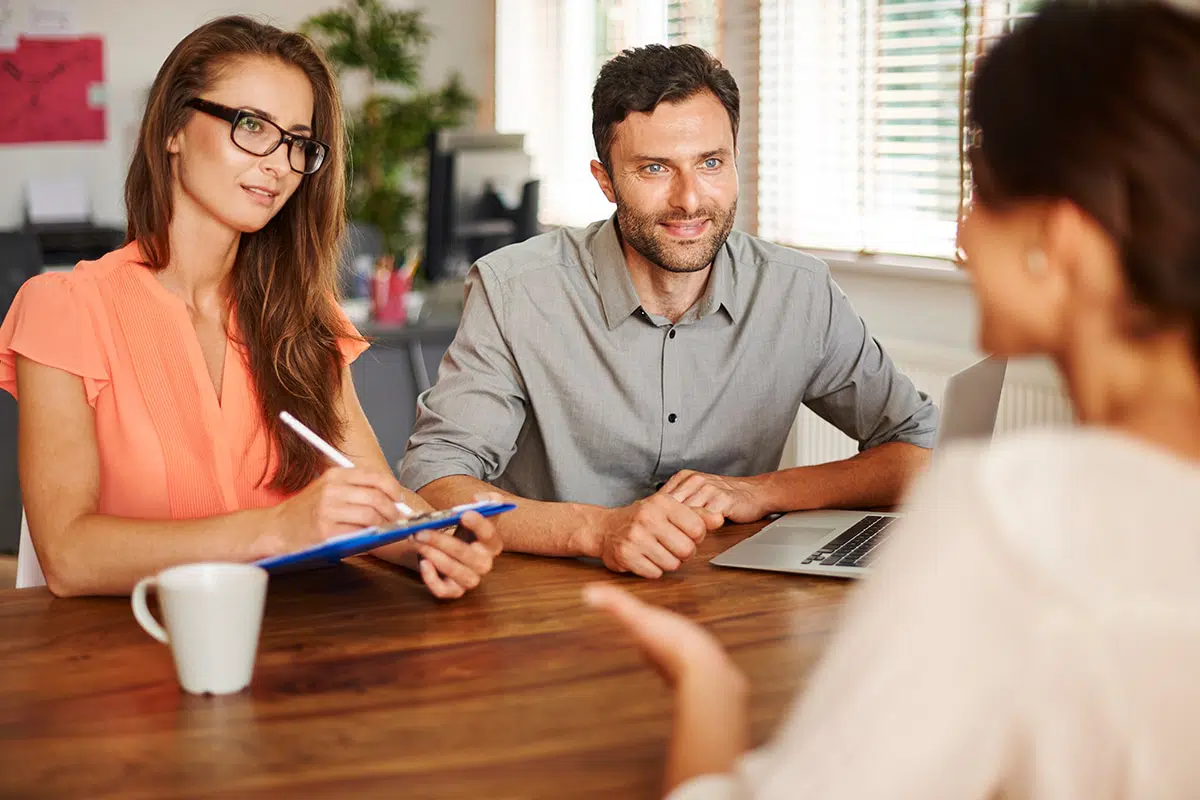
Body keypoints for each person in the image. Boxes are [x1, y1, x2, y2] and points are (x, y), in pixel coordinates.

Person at [586, 1, 1200, 797]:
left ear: (1062, 244)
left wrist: (710, 686)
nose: (964, 237)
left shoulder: (1014, 514)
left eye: (982, 201)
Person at [0, 16, 499, 599]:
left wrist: (433, 542)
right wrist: (277, 530)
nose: (280, 163)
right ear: (173, 130)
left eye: (297, 142)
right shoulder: (63, 309)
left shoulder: (305, 321)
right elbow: (68, 555)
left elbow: (372, 497)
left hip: (296, 654)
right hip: (125, 658)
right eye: (251, 126)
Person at [400, 45, 937, 579]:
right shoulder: (516, 290)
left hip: (730, 602)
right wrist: (595, 530)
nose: (689, 199)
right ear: (605, 180)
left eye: (710, 163)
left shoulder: (797, 291)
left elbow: (920, 449)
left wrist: (759, 492)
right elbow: (435, 482)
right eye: (655, 168)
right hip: (551, 602)